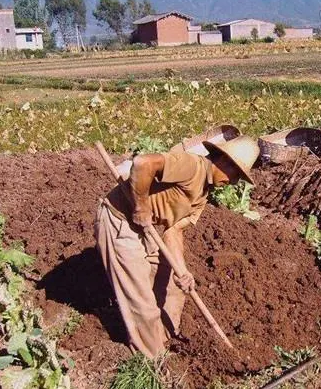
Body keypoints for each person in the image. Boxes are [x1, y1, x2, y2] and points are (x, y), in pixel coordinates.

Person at [94, 136, 260, 359]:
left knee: (174, 285)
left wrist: (183, 271)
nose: (232, 182)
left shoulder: (202, 195)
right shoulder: (191, 166)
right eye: (235, 174)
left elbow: (174, 231)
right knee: (141, 300)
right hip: (120, 220)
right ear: (223, 161)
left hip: (147, 227)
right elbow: (143, 163)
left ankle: (164, 338)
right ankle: (153, 361)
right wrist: (142, 205)